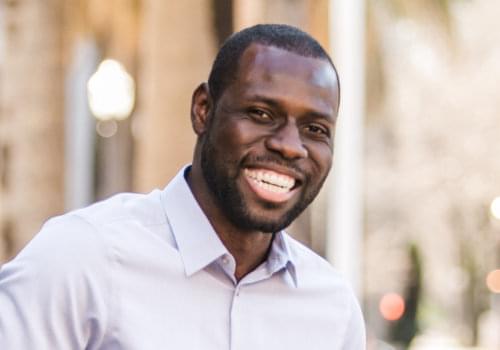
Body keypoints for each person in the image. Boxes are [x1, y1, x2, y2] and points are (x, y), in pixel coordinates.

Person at [0, 24, 365, 349]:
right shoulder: (83, 258)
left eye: (315, 130)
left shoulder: (332, 309)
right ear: (203, 110)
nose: (289, 145)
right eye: (262, 114)